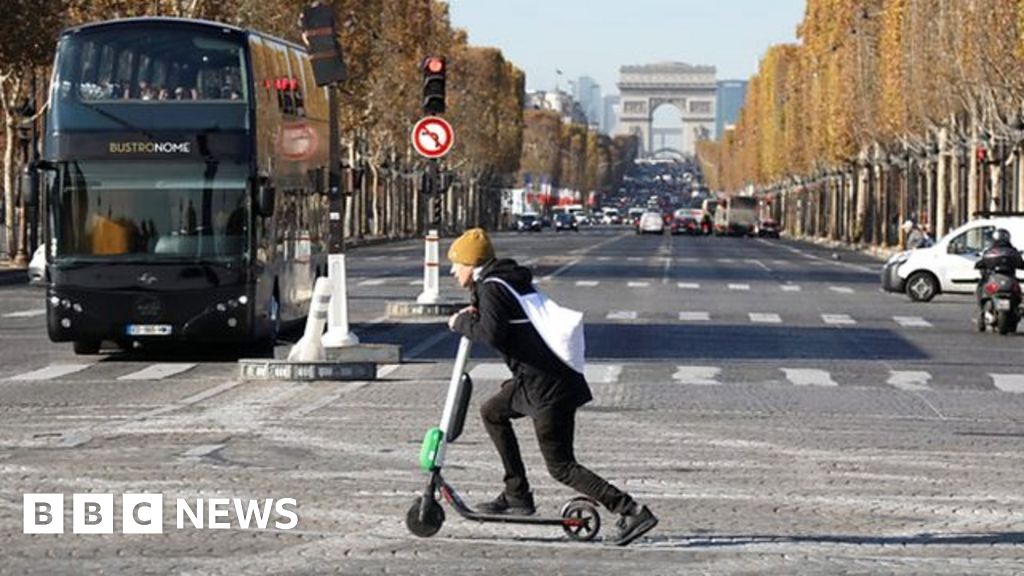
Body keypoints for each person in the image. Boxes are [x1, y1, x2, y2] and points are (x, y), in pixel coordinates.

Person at [445, 228, 658, 546]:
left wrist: (458, 323)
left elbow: (491, 334)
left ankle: (631, 510)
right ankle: (517, 494)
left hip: (547, 386)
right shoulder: (502, 282)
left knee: (561, 466)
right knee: (492, 412)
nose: (452, 270)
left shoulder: (492, 287)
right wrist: (473, 314)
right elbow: (502, 321)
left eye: (455, 263)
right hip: (535, 380)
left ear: (471, 263)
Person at [974, 228, 1024, 310]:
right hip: (1009, 282)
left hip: (1001, 283)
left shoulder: (991, 251)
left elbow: (982, 262)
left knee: (982, 285)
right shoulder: (1012, 251)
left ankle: (983, 309)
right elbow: (1020, 263)